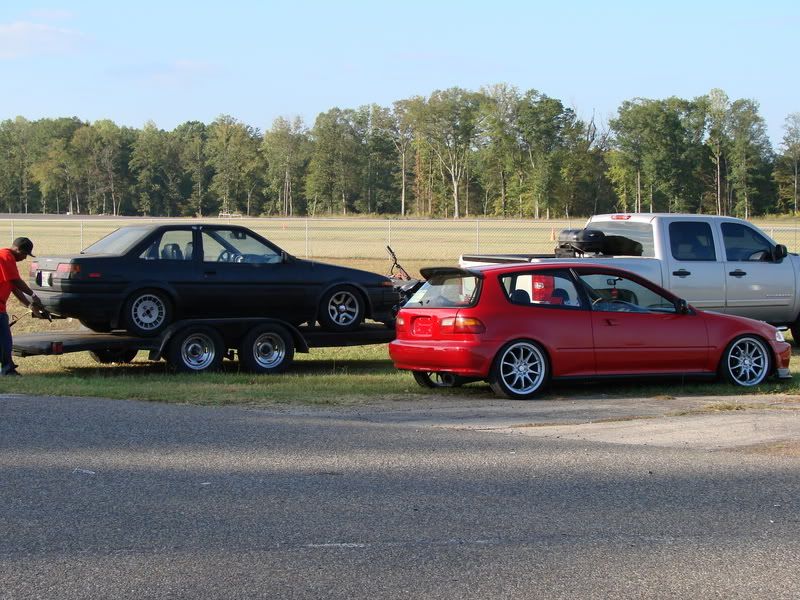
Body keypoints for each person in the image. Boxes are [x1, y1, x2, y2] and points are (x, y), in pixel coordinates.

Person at [0, 237, 41, 376]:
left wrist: (29, 304)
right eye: (24, 254)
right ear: (17, 250)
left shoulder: (6, 258)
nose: (24, 258)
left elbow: (13, 287)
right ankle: (7, 370)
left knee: (4, 339)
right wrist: (33, 295)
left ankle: (7, 368)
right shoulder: (6, 256)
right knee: (5, 339)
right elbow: (17, 282)